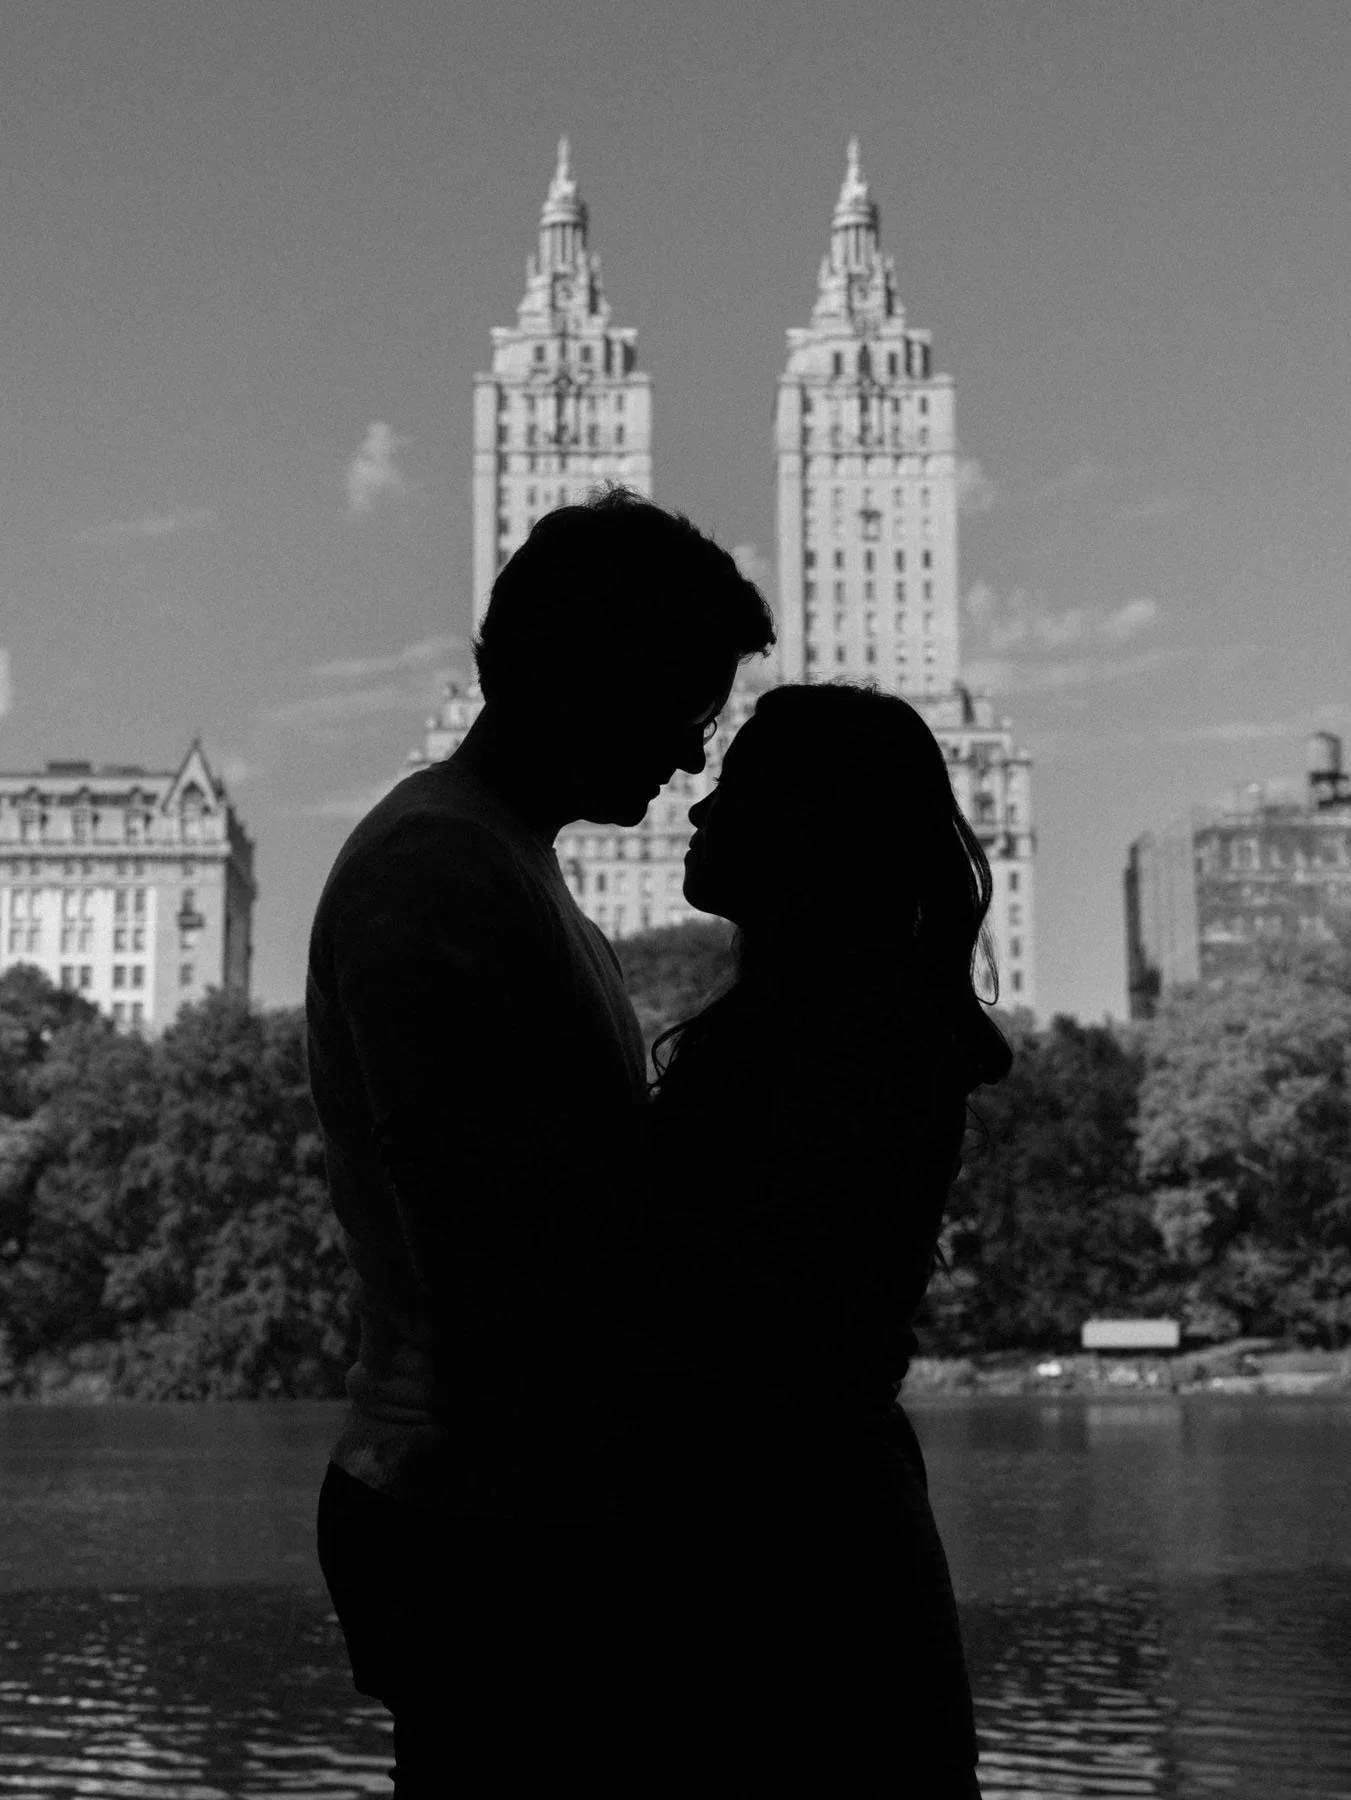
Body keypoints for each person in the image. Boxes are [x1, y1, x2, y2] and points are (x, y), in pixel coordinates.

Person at [311, 489, 831, 1796]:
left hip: (517, 1504)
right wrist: (769, 1304)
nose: (693, 760)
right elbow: (468, 1180)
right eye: (685, 710)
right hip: (472, 1514)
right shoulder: (436, 865)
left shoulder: (505, 862)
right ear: (583, 672)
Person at [633, 678, 1015, 1793]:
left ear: (821, 830)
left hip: (799, 1557)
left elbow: (787, 1296)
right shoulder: (820, 1013)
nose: (700, 806)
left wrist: (539, 1196)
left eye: (739, 789)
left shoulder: (866, 1028)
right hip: (786, 1529)